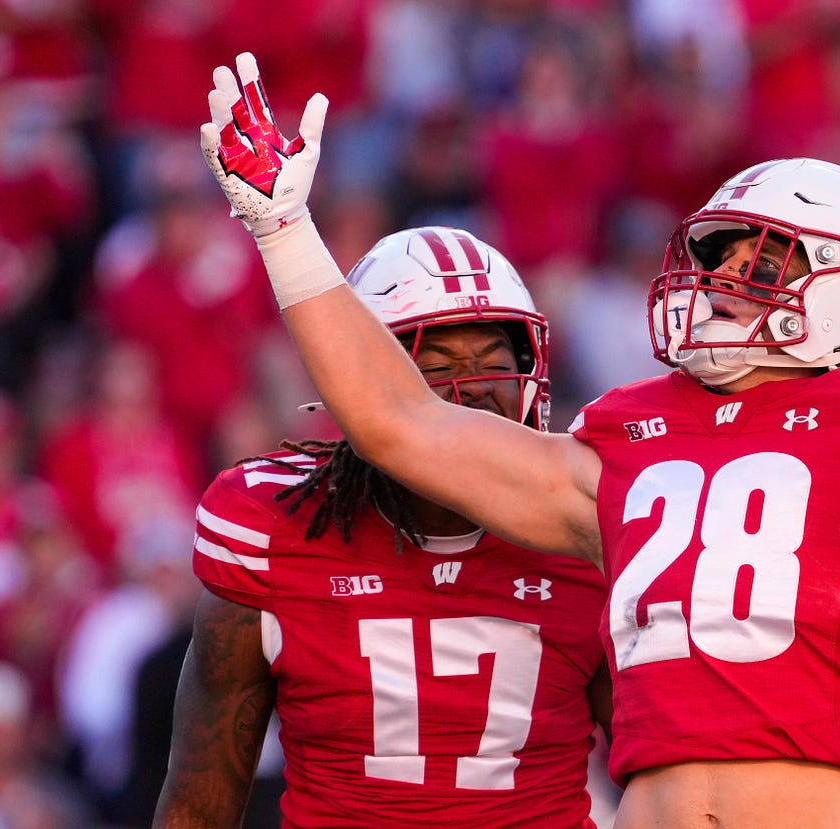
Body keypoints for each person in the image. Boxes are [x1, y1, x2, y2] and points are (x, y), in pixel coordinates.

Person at [197, 25, 840, 827]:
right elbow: (400, 426)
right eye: (719, 257)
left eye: (758, 260)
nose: (719, 282)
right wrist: (283, 229)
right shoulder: (634, 438)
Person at [152, 224, 611, 828]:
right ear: (362, 387)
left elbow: (662, 766)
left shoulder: (593, 530)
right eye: (436, 365)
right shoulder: (274, 528)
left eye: (491, 363)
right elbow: (198, 804)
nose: (471, 390)